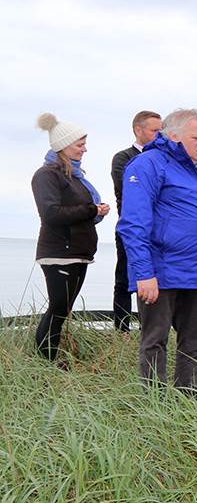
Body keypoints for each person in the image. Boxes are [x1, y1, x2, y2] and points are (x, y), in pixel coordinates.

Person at [117, 108, 197, 391]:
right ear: (173, 136)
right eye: (195, 137)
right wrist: (143, 273)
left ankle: (188, 403)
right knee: (155, 342)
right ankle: (155, 407)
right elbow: (133, 224)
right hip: (160, 273)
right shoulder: (148, 165)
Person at [31, 113, 110, 364]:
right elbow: (51, 214)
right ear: (63, 145)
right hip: (59, 253)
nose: (85, 148)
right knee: (57, 309)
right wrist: (91, 210)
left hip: (77, 252)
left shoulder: (73, 176)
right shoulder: (46, 175)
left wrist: (96, 211)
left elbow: (77, 210)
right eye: (80, 144)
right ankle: (48, 362)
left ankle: (51, 360)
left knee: (62, 310)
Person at [110, 110, 161, 332]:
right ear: (138, 130)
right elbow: (130, 192)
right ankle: (121, 331)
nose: (160, 135)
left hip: (158, 232)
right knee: (123, 281)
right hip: (131, 229)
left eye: (162, 131)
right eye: (154, 131)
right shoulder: (123, 158)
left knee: (155, 280)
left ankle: (150, 330)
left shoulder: (163, 159)